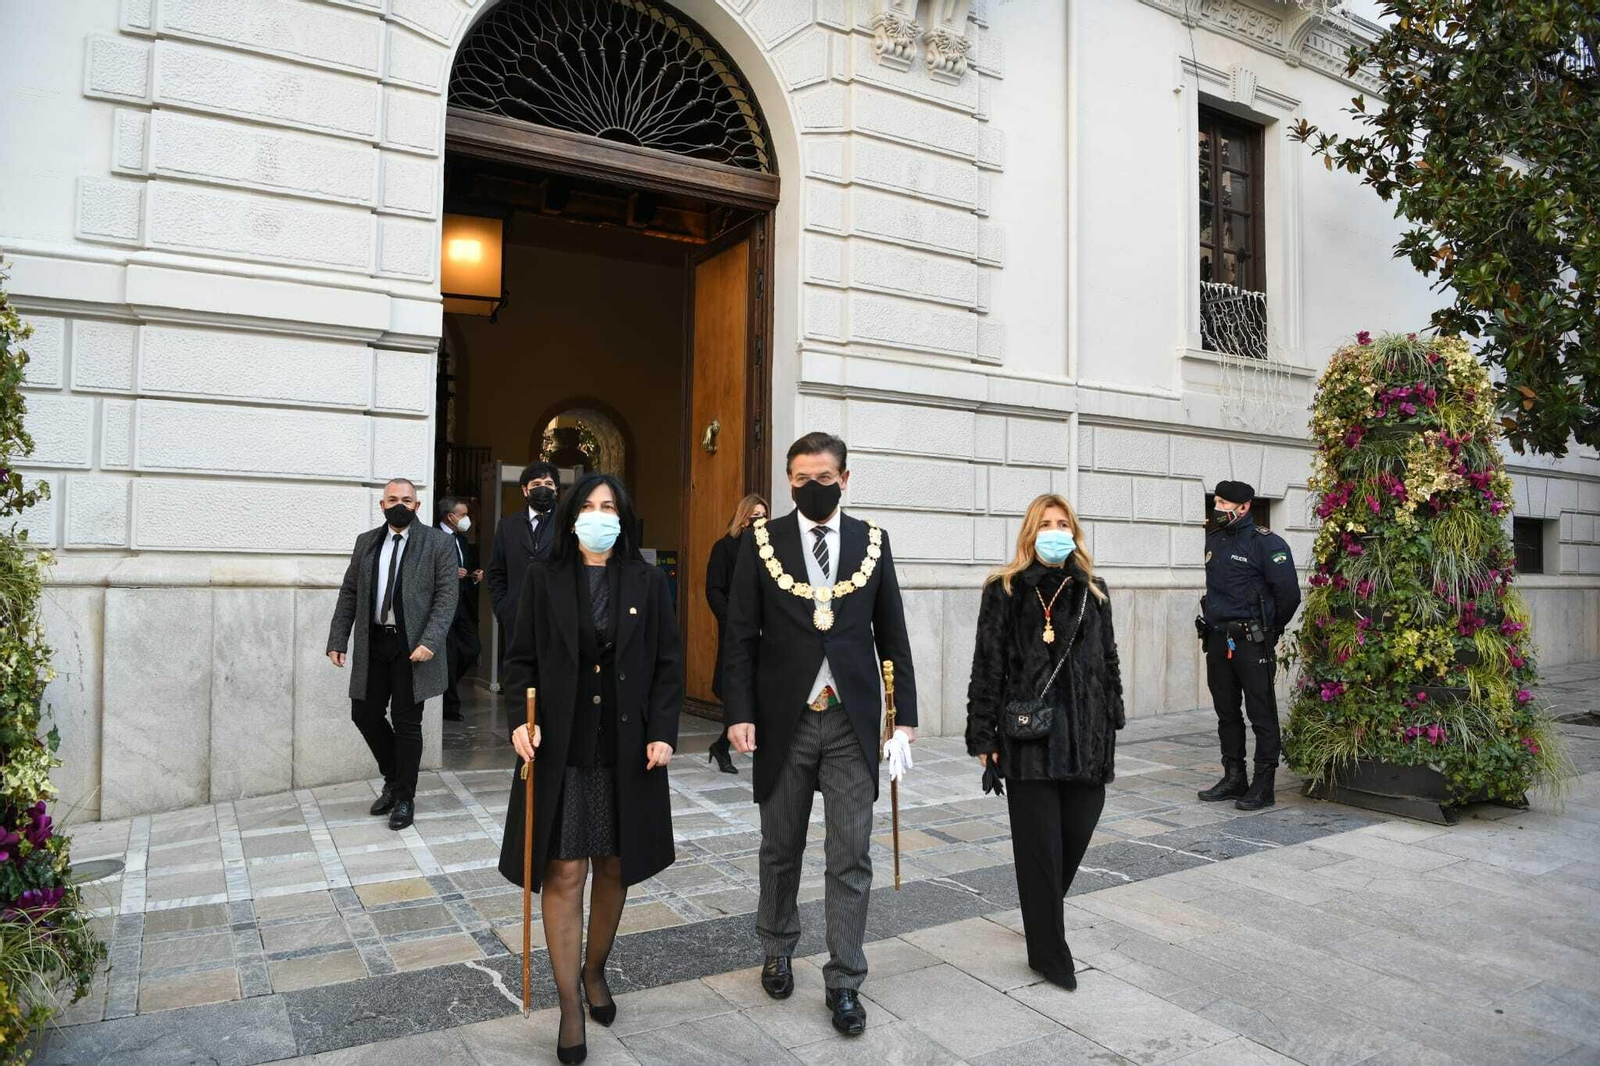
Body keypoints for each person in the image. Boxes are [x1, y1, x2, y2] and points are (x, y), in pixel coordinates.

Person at [723, 432, 917, 1037]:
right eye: (802, 478)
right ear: (789, 481)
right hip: (785, 719)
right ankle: (777, 946)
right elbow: (739, 635)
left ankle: (845, 980)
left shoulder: (872, 541)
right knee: (780, 847)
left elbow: (893, 632)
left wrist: (903, 718)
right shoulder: (761, 541)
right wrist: (738, 711)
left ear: (845, 479)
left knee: (850, 855)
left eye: (824, 478)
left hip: (851, 722)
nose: (813, 487)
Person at [498, 473, 683, 1065]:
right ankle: (569, 1006)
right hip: (563, 747)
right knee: (564, 871)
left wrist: (663, 731)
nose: (598, 515)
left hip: (626, 747)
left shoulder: (647, 580)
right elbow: (520, 660)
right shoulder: (543, 576)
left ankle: (595, 969)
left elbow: (668, 662)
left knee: (615, 866)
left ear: (622, 517)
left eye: (609, 507)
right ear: (572, 515)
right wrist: (519, 721)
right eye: (589, 506)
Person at [964, 494, 1124, 991]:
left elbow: (1109, 659)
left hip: (1088, 740)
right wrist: (983, 733)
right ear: (1030, 533)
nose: (1056, 532)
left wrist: (1112, 719)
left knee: (1074, 835)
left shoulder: (1093, 590)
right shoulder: (1005, 589)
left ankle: (1039, 913)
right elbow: (987, 665)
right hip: (1030, 739)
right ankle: (1049, 954)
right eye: (1046, 524)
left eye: (1063, 524)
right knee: (1039, 851)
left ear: (1074, 532)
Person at [326, 478, 458, 830]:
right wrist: (338, 638)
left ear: (417, 505)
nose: (400, 505)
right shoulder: (366, 542)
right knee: (364, 713)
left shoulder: (438, 543)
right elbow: (350, 592)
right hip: (374, 643)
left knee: (406, 722)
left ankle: (403, 798)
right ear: (382, 505)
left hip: (412, 647)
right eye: (393, 499)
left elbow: (447, 596)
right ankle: (395, 778)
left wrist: (430, 641)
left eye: (407, 500)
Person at [1195, 480, 1301, 810]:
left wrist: (1270, 631)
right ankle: (1234, 777)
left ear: (1244, 507)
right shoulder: (1214, 539)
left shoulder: (1266, 543)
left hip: (1252, 641)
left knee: (1261, 713)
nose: (1218, 508)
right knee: (1226, 712)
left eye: (1225, 503)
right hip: (1217, 639)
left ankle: (1263, 785)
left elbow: (1289, 595)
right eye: (1217, 501)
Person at [704, 493, 769, 774]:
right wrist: (731, 618)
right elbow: (713, 589)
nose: (760, 521)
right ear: (743, 518)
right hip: (736, 628)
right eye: (755, 516)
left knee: (760, 685)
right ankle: (723, 745)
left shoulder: (770, 549)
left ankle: (723, 745)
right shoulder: (724, 547)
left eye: (764, 515)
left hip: (765, 628)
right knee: (737, 683)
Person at [487, 461, 561, 667]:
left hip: (558, 619)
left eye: (548, 484)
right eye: (536, 484)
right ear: (525, 490)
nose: (543, 488)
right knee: (519, 678)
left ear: (556, 489)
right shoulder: (507, 526)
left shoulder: (569, 524)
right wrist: (503, 609)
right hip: (516, 619)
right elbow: (496, 573)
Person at [439, 496, 483, 722]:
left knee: (472, 648)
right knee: (448, 656)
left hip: (463, 605)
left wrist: (473, 576)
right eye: (464, 515)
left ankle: (443, 686)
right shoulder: (434, 537)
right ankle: (449, 707)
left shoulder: (462, 540)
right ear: (450, 516)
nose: (467, 519)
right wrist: (450, 573)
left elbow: (467, 568)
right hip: (442, 606)